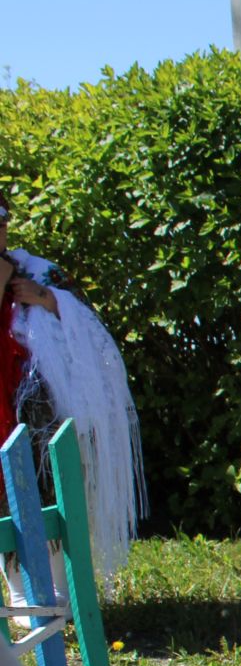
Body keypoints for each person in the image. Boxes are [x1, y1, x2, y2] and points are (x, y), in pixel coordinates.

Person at [0, 199, 144, 587]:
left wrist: (47, 299)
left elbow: (92, 330)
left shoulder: (38, 271)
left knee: (48, 499)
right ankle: (24, 599)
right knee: (5, 509)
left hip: (44, 417)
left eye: (1, 220)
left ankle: (58, 599)